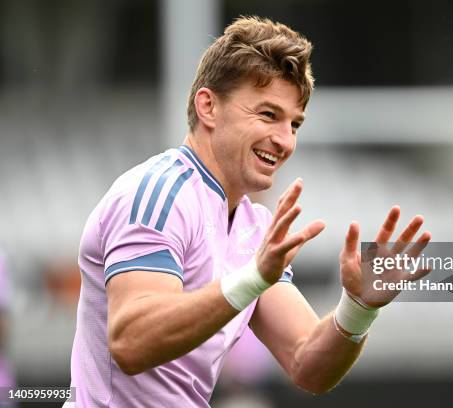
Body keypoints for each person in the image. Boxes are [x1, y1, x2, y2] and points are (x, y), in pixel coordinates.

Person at [66, 16, 430, 407]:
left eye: (294, 124)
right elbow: (130, 343)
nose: (284, 140)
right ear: (208, 106)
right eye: (268, 115)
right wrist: (252, 278)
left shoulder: (253, 225)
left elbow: (307, 364)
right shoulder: (159, 193)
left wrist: (358, 309)